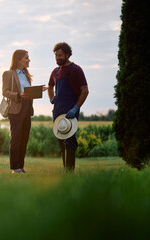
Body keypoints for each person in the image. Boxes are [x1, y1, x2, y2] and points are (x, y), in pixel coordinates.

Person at [47, 42, 89, 171]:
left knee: (69, 141)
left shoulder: (76, 69)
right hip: (57, 109)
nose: (57, 58)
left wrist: (76, 107)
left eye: (60, 55)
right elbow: (50, 86)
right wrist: (51, 98)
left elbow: (85, 90)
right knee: (61, 139)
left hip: (70, 109)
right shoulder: (55, 71)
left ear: (67, 54)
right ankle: (66, 170)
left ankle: (69, 173)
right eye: (56, 56)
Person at [2, 49, 36, 174]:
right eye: (26, 58)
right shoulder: (8, 74)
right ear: (19, 59)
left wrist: (38, 90)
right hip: (16, 109)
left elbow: (28, 92)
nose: (29, 60)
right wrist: (18, 95)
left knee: (24, 138)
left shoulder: (26, 75)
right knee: (16, 139)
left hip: (27, 108)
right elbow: (5, 92)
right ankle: (14, 168)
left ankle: (21, 166)